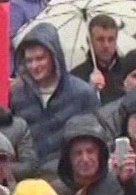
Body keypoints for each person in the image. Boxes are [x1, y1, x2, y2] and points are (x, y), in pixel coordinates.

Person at [12, 25, 98, 169]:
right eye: (29, 60)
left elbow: (96, 139)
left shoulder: (83, 93)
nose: (34, 65)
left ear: (54, 57)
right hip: (29, 175)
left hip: (70, 174)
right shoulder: (17, 96)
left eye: (40, 58)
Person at [71, 14, 126, 106]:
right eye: (100, 39)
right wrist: (89, 91)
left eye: (111, 39)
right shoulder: (75, 78)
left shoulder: (128, 68)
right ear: (89, 41)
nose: (106, 45)